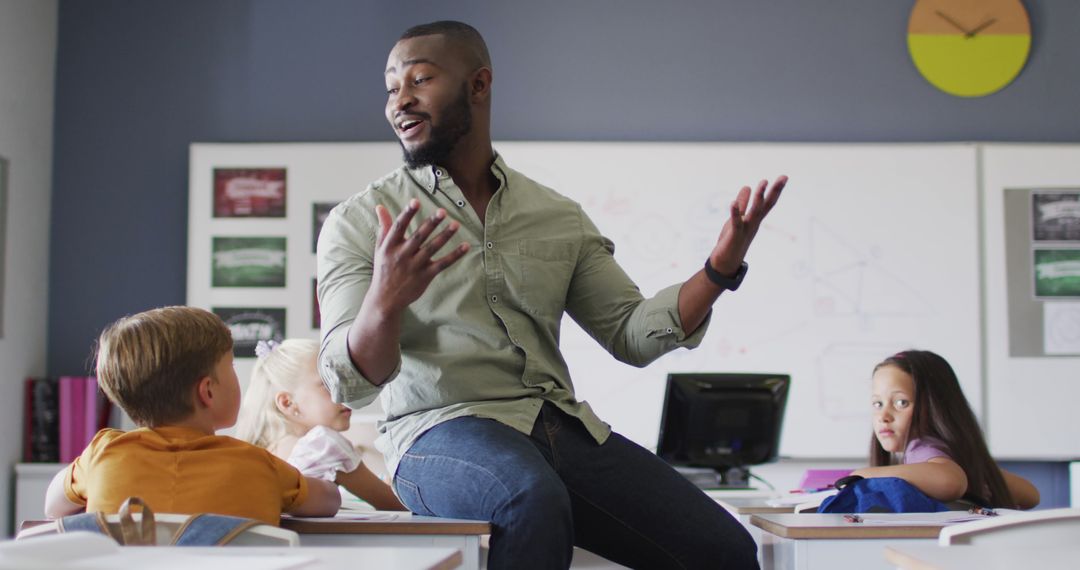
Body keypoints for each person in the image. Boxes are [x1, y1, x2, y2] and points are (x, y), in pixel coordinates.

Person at [316, 20, 785, 569]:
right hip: (436, 433)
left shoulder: (556, 216)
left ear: (479, 84)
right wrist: (386, 300)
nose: (401, 101)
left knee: (725, 550)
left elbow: (631, 334)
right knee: (529, 497)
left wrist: (719, 269)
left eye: (420, 79)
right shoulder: (361, 221)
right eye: (392, 87)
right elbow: (346, 381)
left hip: (558, 425)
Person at [43, 306, 341, 525]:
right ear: (208, 391)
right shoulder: (256, 464)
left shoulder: (102, 455)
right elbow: (329, 501)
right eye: (232, 367)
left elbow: (53, 506)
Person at [851, 350, 1039, 509]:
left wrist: (863, 475)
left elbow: (949, 481)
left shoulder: (921, 449)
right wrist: (980, 475)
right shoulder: (948, 453)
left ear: (935, 406)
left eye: (901, 403)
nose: (884, 416)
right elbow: (1031, 495)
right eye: (877, 403)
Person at [235, 338, 405, 511]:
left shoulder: (259, 453)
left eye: (345, 381)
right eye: (328, 384)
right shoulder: (323, 445)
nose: (345, 393)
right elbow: (398, 505)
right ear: (287, 402)